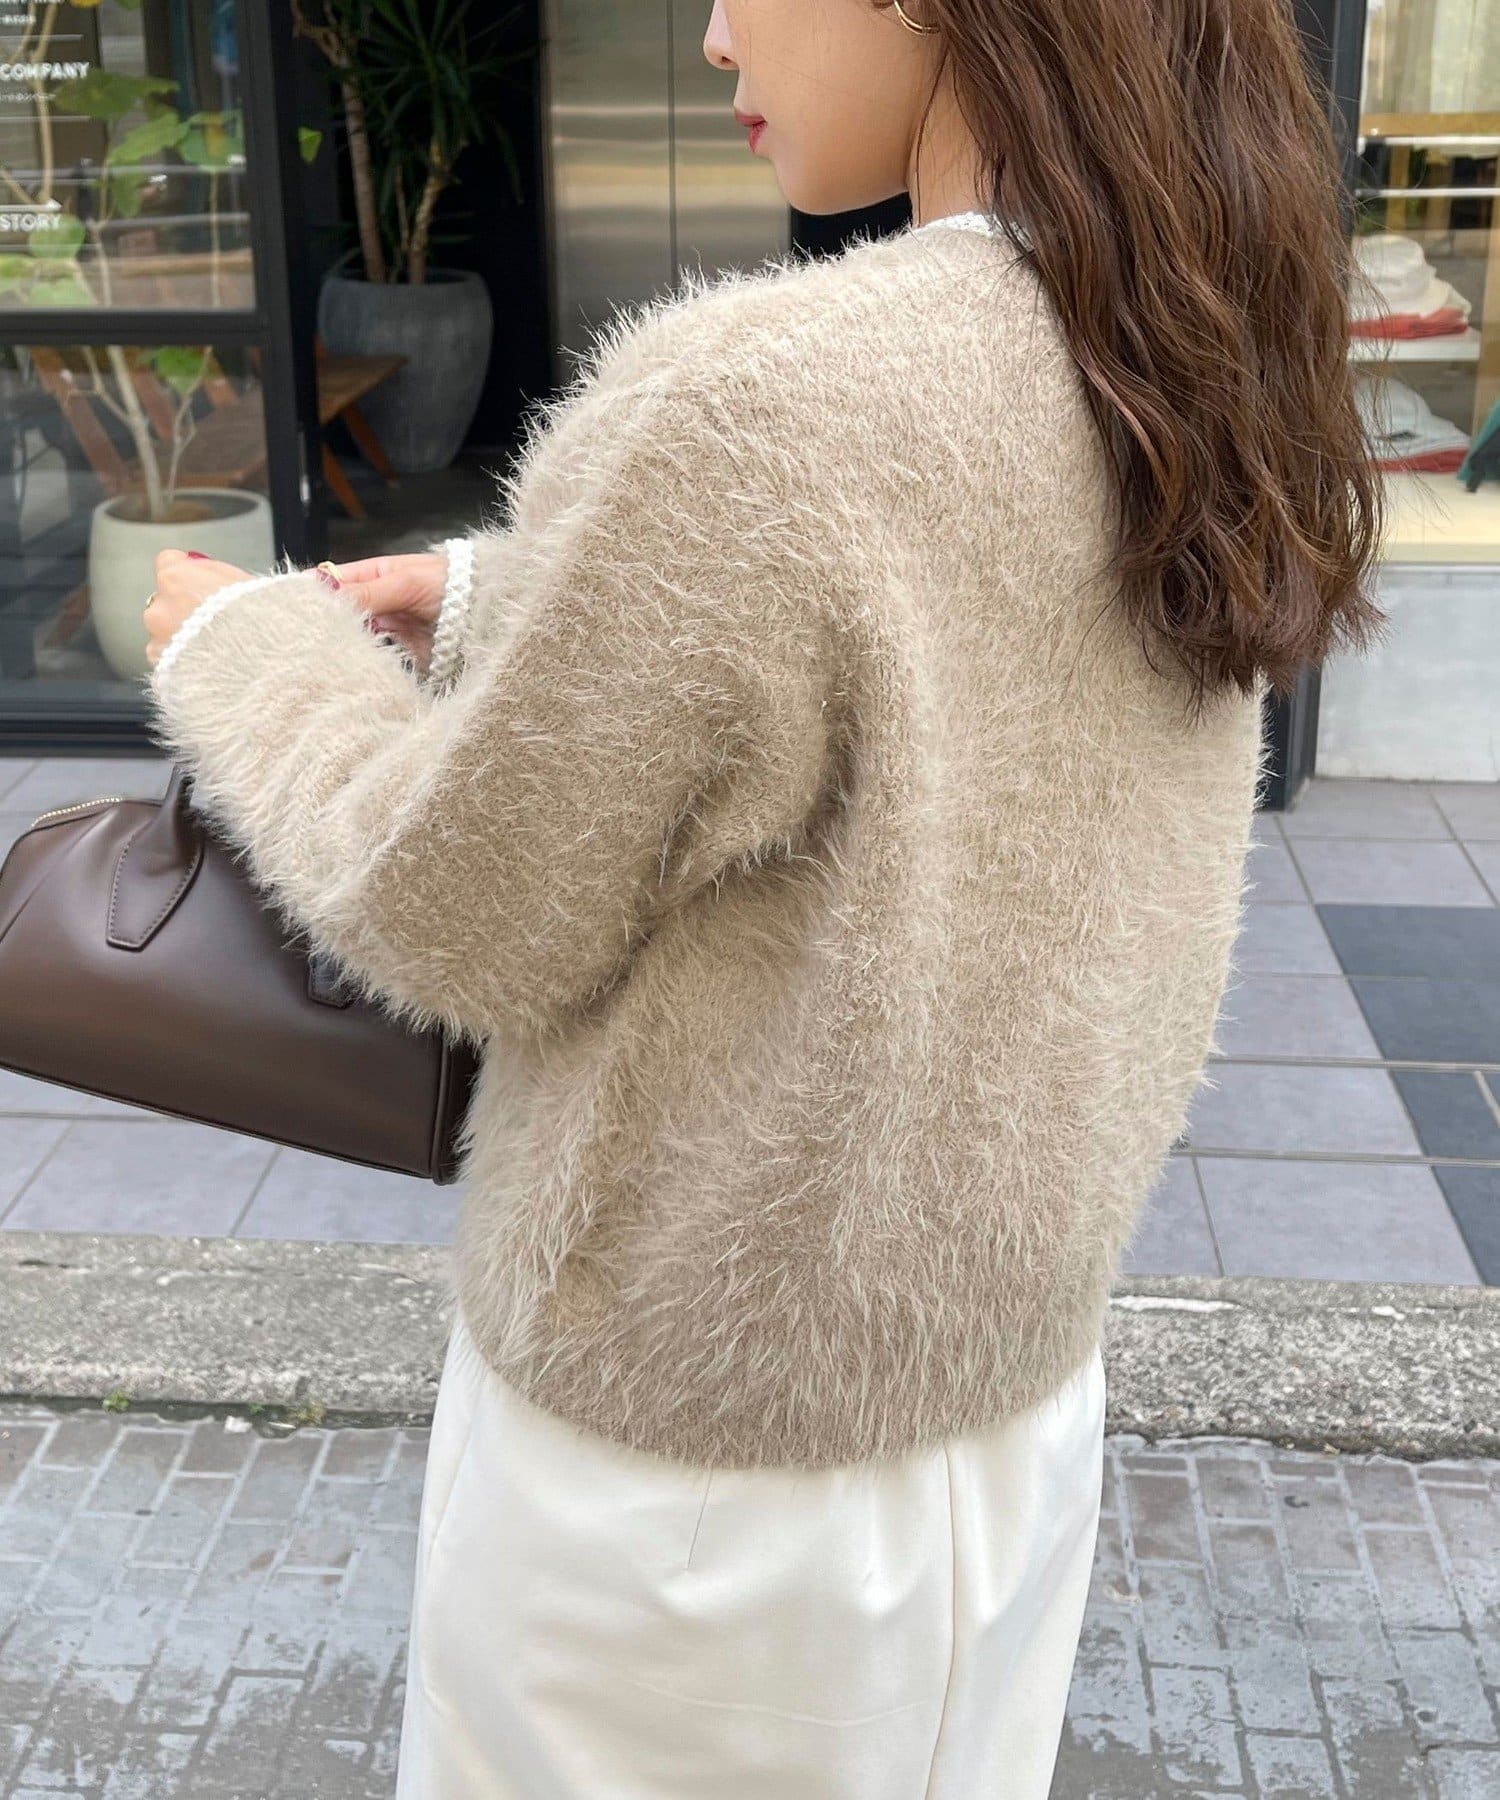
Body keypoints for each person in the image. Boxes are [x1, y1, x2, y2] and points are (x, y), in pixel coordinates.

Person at [142, 1, 1385, 1794]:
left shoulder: (763, 406)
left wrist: (250, 655)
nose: (716, 35)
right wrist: (512, 601)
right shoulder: (1183, 341)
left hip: (687, 1489)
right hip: (1006, 1422)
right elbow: (950, 635)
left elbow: (454, 909)